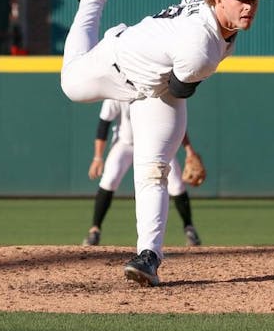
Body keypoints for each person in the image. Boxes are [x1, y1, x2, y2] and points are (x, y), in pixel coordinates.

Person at [59, 0, 268, 286]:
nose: (249, 6)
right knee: (71, 84)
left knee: (154, 170)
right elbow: (181, 88)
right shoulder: (202, 49)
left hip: (158, 85)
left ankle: (149, 257)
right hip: (119, 64)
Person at [83, 99, 204, 248]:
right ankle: (94, 230)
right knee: (109, 180)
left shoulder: (157, 89)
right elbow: (103, 125)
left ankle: (189, 228)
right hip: (126, 144)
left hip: (154, 145)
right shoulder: (118, 90)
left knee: (177, 185)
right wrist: (97, 157)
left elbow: (175, 121)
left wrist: (188, 149)